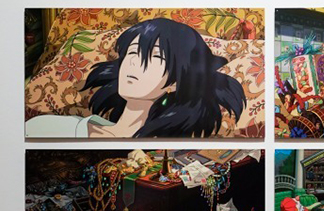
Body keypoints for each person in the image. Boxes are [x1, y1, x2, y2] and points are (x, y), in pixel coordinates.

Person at [26, 18, 245, 138]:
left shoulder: (166, 153)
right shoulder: (49, 127)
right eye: (132, 52)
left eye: (155, 57)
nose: (134, 63)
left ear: (175, 82)